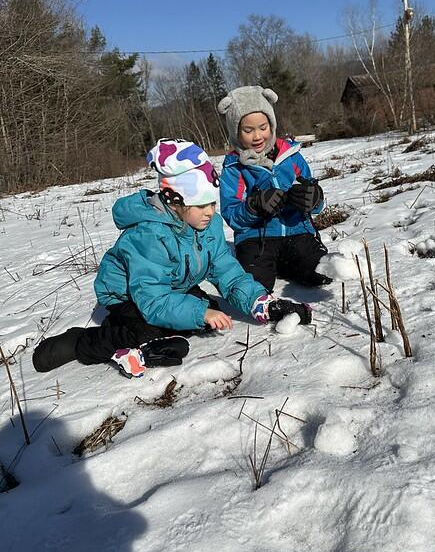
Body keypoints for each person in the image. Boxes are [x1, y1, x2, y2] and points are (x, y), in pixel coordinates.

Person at [32, 139, 311, 378]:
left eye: (212, 203)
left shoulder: (208, 225)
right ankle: (85, 341)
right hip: (129, 296)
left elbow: (227, 271)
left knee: (205, 312)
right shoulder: (149, 236)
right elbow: (152, 299)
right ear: (174, 200)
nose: (210, 212)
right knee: (156, 330)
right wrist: (200, 313)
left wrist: (260, 302)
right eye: (201, 205)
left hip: (172, 286)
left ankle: (143, 336)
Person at [218, 85, 332, 291]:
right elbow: (231, 213)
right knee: (254, 287)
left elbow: (313, 191)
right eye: (248, 130)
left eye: (263, 127)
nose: (257, 136)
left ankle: (288, 265)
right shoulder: (234, 167)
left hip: (297, 231)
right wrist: (254, 206)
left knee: (322, 272)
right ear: (236, 131)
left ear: (271, 124)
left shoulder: (291, 155)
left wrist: (313, 198)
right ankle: (274, 266)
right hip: (256, 239)